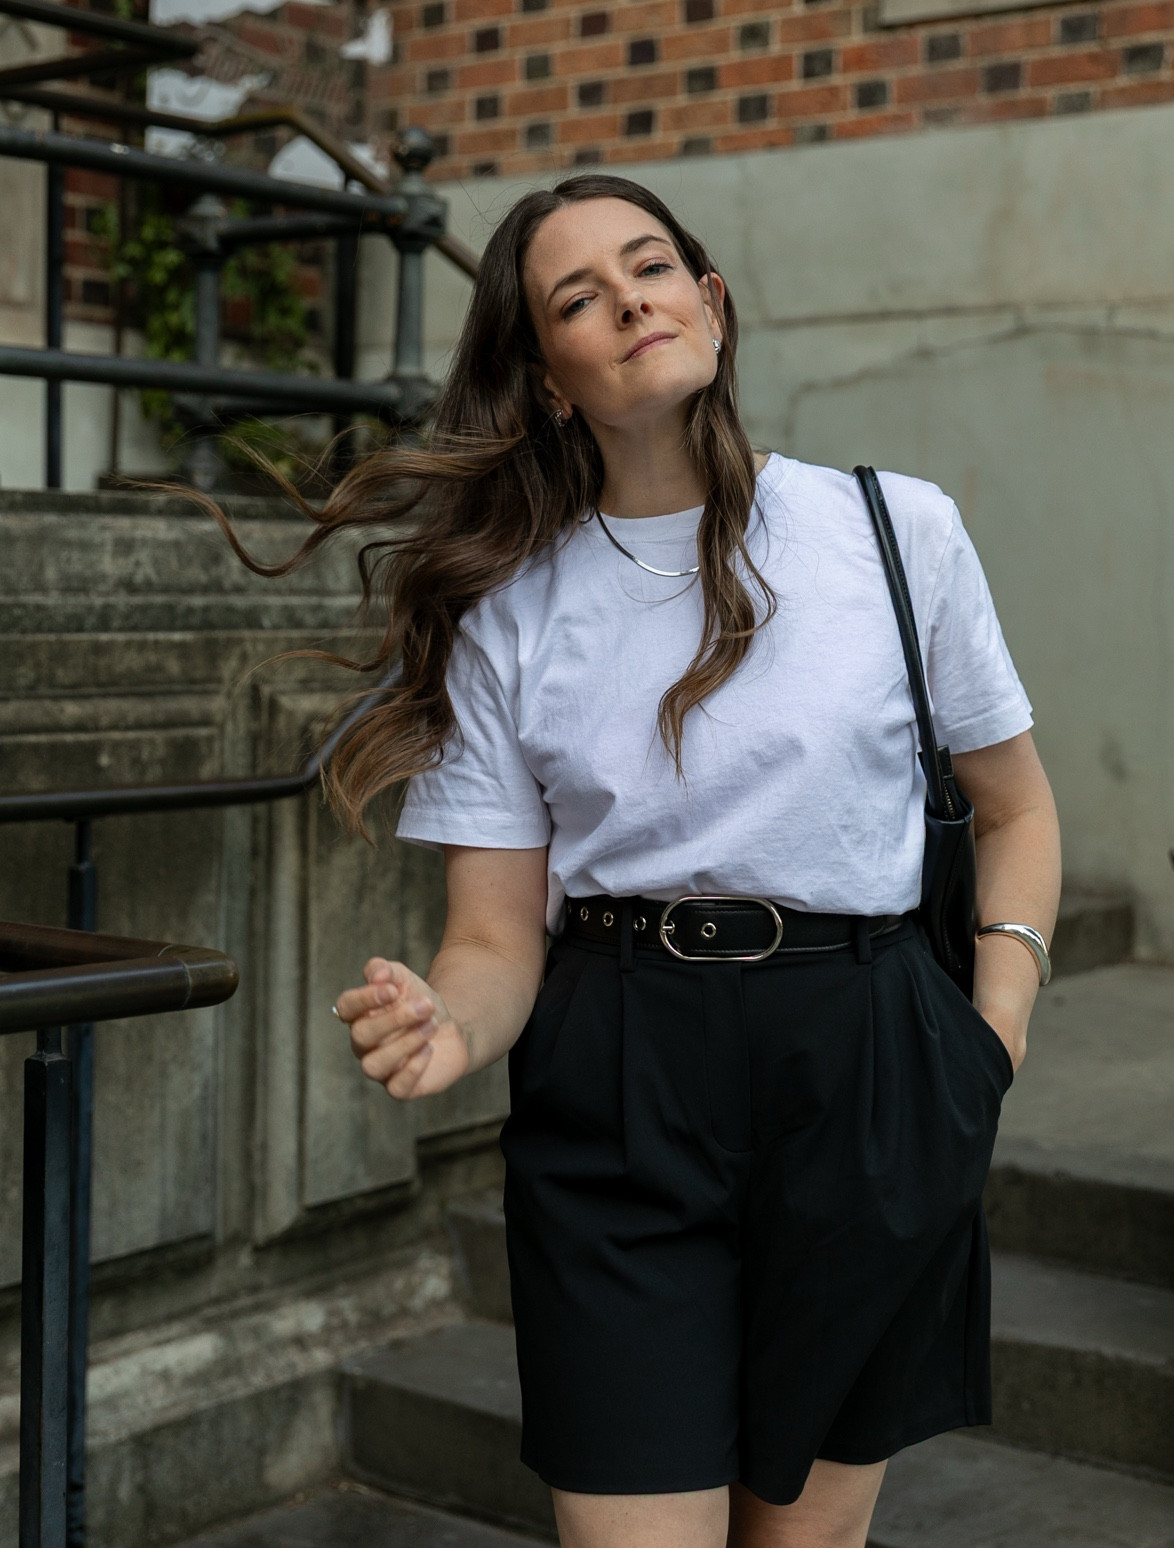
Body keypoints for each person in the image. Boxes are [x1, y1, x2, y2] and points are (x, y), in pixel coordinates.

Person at [300, 174, 1061, 1548]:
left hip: (872, 1064)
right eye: (578, 297)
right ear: (546, 378)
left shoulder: (893, 533)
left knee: (805, 1540)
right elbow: (493, 937)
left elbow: (1011, 809)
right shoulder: (506, 606)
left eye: (650, 266)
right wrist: (449, 1024)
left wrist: (989, 1030)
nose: (630, 299)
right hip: (620, 1079)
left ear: (708, 300)